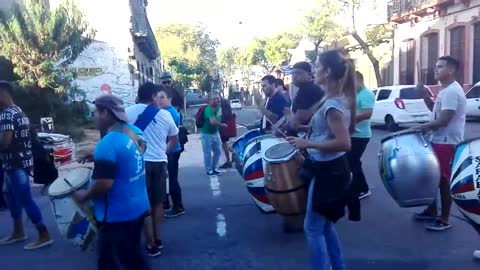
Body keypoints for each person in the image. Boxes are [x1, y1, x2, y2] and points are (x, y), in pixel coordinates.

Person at [287, 50, 357, 270]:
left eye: (317, 67)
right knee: (324, 226)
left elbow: (345, 143)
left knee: (313, 228)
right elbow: (328, 130)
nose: (314, 70)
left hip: (330, 172)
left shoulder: (332, 104)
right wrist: (307, 130)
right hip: (329, 170)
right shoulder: (331, 100)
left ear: (327, 72)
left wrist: (309, 144)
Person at [73, 95, 150, 270]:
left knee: (111, 262)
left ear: (105, 113)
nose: (93, 117)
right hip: (137, 207)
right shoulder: (133, 132)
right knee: (134, 257)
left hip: (116, 215)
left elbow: (104, 184)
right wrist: (97, 158)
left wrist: (85, 196)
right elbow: (129, 158)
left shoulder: (107, 144)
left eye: (95, 112)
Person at [413, 56, 467, 231]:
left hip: (446, 141)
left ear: (451, 70)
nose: (435, 70)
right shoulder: (445, 90)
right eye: (436, 66)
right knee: (434, 178)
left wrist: (422, 127)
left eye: (440, 67)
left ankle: (444, 219)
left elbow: (444, 120)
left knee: (443, 180)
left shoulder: (452, 91)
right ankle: (431, 210)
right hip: (439, 140)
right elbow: (435, 113)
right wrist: (424, 96)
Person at [126, 82, 179, 256]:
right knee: (157, 203)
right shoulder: (165, 115)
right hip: (160, 163)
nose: (159, 98)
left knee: (143, 203)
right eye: (157, 95)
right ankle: (157, 239)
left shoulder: (128, 112)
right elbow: (174, 140)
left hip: (139, 163)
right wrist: (164, 151)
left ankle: (150, 244)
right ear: (152, 96)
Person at [0, 81, 53, 250]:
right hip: (19, 163)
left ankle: (43, 234)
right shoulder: (19, 111)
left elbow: (5, 142)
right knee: (9, 195)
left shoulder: (7, 115)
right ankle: (18, 231)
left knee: (25, 199)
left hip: (15, 164)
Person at [157, 87, 186, 218]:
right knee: (169, 178)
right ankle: (168, 203)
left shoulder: (169, 113)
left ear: (170, 99)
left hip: (171, 150)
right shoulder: (168, 111)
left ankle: (178, 206)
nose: (159, 100)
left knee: (172, 179)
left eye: (162, 97)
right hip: (172, 149)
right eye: (158, 97)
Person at [347, 71, 375, 199]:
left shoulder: (366, 94)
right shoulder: (355, 94)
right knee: (352, 162)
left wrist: (349, 118)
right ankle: (357, 186)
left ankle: (363, 188)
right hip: (353, 134)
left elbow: (367, 113)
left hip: (361, 135)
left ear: (359, 80)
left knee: (353, 162)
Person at [281, 61, 324, 136]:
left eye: (298, 73)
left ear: (309, 75)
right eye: (293, 74)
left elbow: (296, 123)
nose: (294, 76)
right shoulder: (305, 88)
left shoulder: (308, 89)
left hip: (309, 139)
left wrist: (289, 115)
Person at [200, 93, 227, 176]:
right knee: (207, 152)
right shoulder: (208, 109)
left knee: (218, 151)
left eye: (218, 98)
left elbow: (219, 118)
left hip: (215, 132)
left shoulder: (219, 108)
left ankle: (214, 167)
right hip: (206, 133)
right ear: (210, 101)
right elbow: (213, 122)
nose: (217, 100)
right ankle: (209, 170)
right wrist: (222, 125)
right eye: (214, 99)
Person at [219, 97, 235, 169]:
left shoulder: (223, 109)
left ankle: (232, 156)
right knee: (225, 144)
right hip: (227, 128)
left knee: (224, 144)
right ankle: (230, 159)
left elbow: (222, 117)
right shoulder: (228, 109)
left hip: (223, 128)